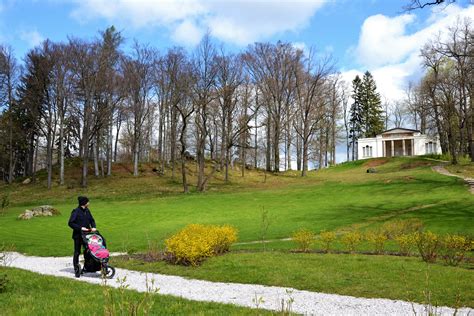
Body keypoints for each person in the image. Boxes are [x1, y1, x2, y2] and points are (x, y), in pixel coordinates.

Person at [68, 196, 96, 278]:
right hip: (78, 235)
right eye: (88, 202)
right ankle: (76, 268)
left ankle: (87, 267)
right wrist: (80, 228)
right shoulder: (76, 211)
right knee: (77, 252)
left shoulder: (87, 211)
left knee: (87, 251)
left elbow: (92, 220)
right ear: (84, 203)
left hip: (87, 235)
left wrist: (93, 227)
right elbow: (70, 223)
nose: (89, 203)